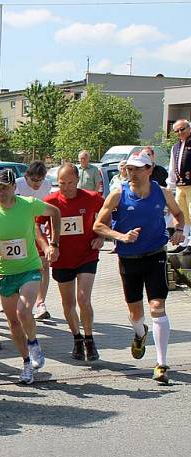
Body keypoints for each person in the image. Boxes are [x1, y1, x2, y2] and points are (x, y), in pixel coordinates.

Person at [94, 152, 185, 384]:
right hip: (129, 259)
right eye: (129, 169)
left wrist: (179, 230)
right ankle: (139, 333)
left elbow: (178, 214)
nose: (132, 173)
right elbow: (98, 225)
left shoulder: (162, 193)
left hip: (156, 256)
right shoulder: (118, 194)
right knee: (135, 313)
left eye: (137, 169)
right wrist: (120, 237)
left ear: (149, 169)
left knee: (157, 306)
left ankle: (161, 364)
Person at [0, 169, 61, 384]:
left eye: (5, 187)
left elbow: (55, 213)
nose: (1, 192)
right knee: (13, 322)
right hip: (5, 272)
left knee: (24, 310)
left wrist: (54, 243)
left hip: (30, 268)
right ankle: (26, 363)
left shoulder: (29, 204)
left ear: (14, 187)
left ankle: (33, 343)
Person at [41, 164, 105, 361]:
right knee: (68, 303)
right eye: (62, 183)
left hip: (87, 255)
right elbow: (35, 224)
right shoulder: (51, 201)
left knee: (83, 299)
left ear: (78, 180)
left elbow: (107, 213)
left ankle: (89, 338)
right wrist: (46, 247)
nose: (66, 187)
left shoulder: (92, 198)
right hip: (62, 259)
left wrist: (101, 236)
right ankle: (76, 338)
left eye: (70, 183)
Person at [16, 161, 53, 321]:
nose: (37, 184)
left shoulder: (47, 185)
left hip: (39, 229)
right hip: (20, 231)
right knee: (20, 266)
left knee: (44, 264)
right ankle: (15, 296)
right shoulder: (17, 184)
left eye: (40, 180)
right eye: (34, 180)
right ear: (27, 177)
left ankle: (40, 303)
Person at [168, 119, 191, 254]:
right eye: (177, 131)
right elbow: (172, 167)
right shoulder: (175, 147)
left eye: (182, 129)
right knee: (183, 214)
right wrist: (170, 186)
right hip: (180, 185)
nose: (180, 132)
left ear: (189, 128)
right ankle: (184, 242)